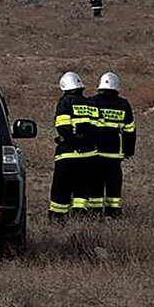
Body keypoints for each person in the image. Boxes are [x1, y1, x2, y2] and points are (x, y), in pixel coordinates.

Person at [49, 72, 98, 219]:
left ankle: (57, 217)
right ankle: (79, 214)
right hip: (89, 153)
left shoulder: (65, 102)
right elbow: (96, 128)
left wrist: (71, 140)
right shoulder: (90, 103)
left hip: (68, 153)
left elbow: (62, 126)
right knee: (82, 186)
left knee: (61, 186)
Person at [92, 71, 136, 216]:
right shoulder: (124, 104)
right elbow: (130, 130)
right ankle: (114, 211)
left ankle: (95, 212)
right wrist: (129, 151)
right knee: (114, 184)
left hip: (95, 151)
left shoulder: (92, 102)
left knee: (96, 182)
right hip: (115, 152)